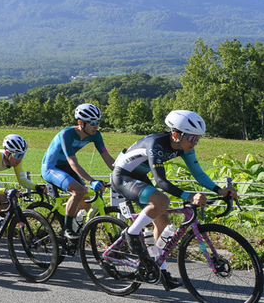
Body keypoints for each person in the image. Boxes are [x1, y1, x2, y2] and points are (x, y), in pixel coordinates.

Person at [113, 110, 236, 291]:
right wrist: (188, 196)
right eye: (192, 138)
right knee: (161, 201)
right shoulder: (156, 144)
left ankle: (158, 269)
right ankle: (131, 233)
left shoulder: (183, 147)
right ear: (176, 134)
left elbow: (199, 174)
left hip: (139, 177)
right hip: (123, 176)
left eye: (198, 139)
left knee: (164, 224)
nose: (195, 143)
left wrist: (220, 190)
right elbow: (161, 181)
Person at [41, 103, 115, 238]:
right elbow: (73, 162)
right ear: (81, 122)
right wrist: (91, 180)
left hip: (66, 167)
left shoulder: (96, 135)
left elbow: (108, 158)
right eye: (92, 122)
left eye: (98, 122)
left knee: (86, 196)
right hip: (51, 167)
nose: (96, 126)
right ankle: (66, 229)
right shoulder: (66, 134)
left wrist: (121, 172)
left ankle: (74, 225)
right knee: (78, 191)